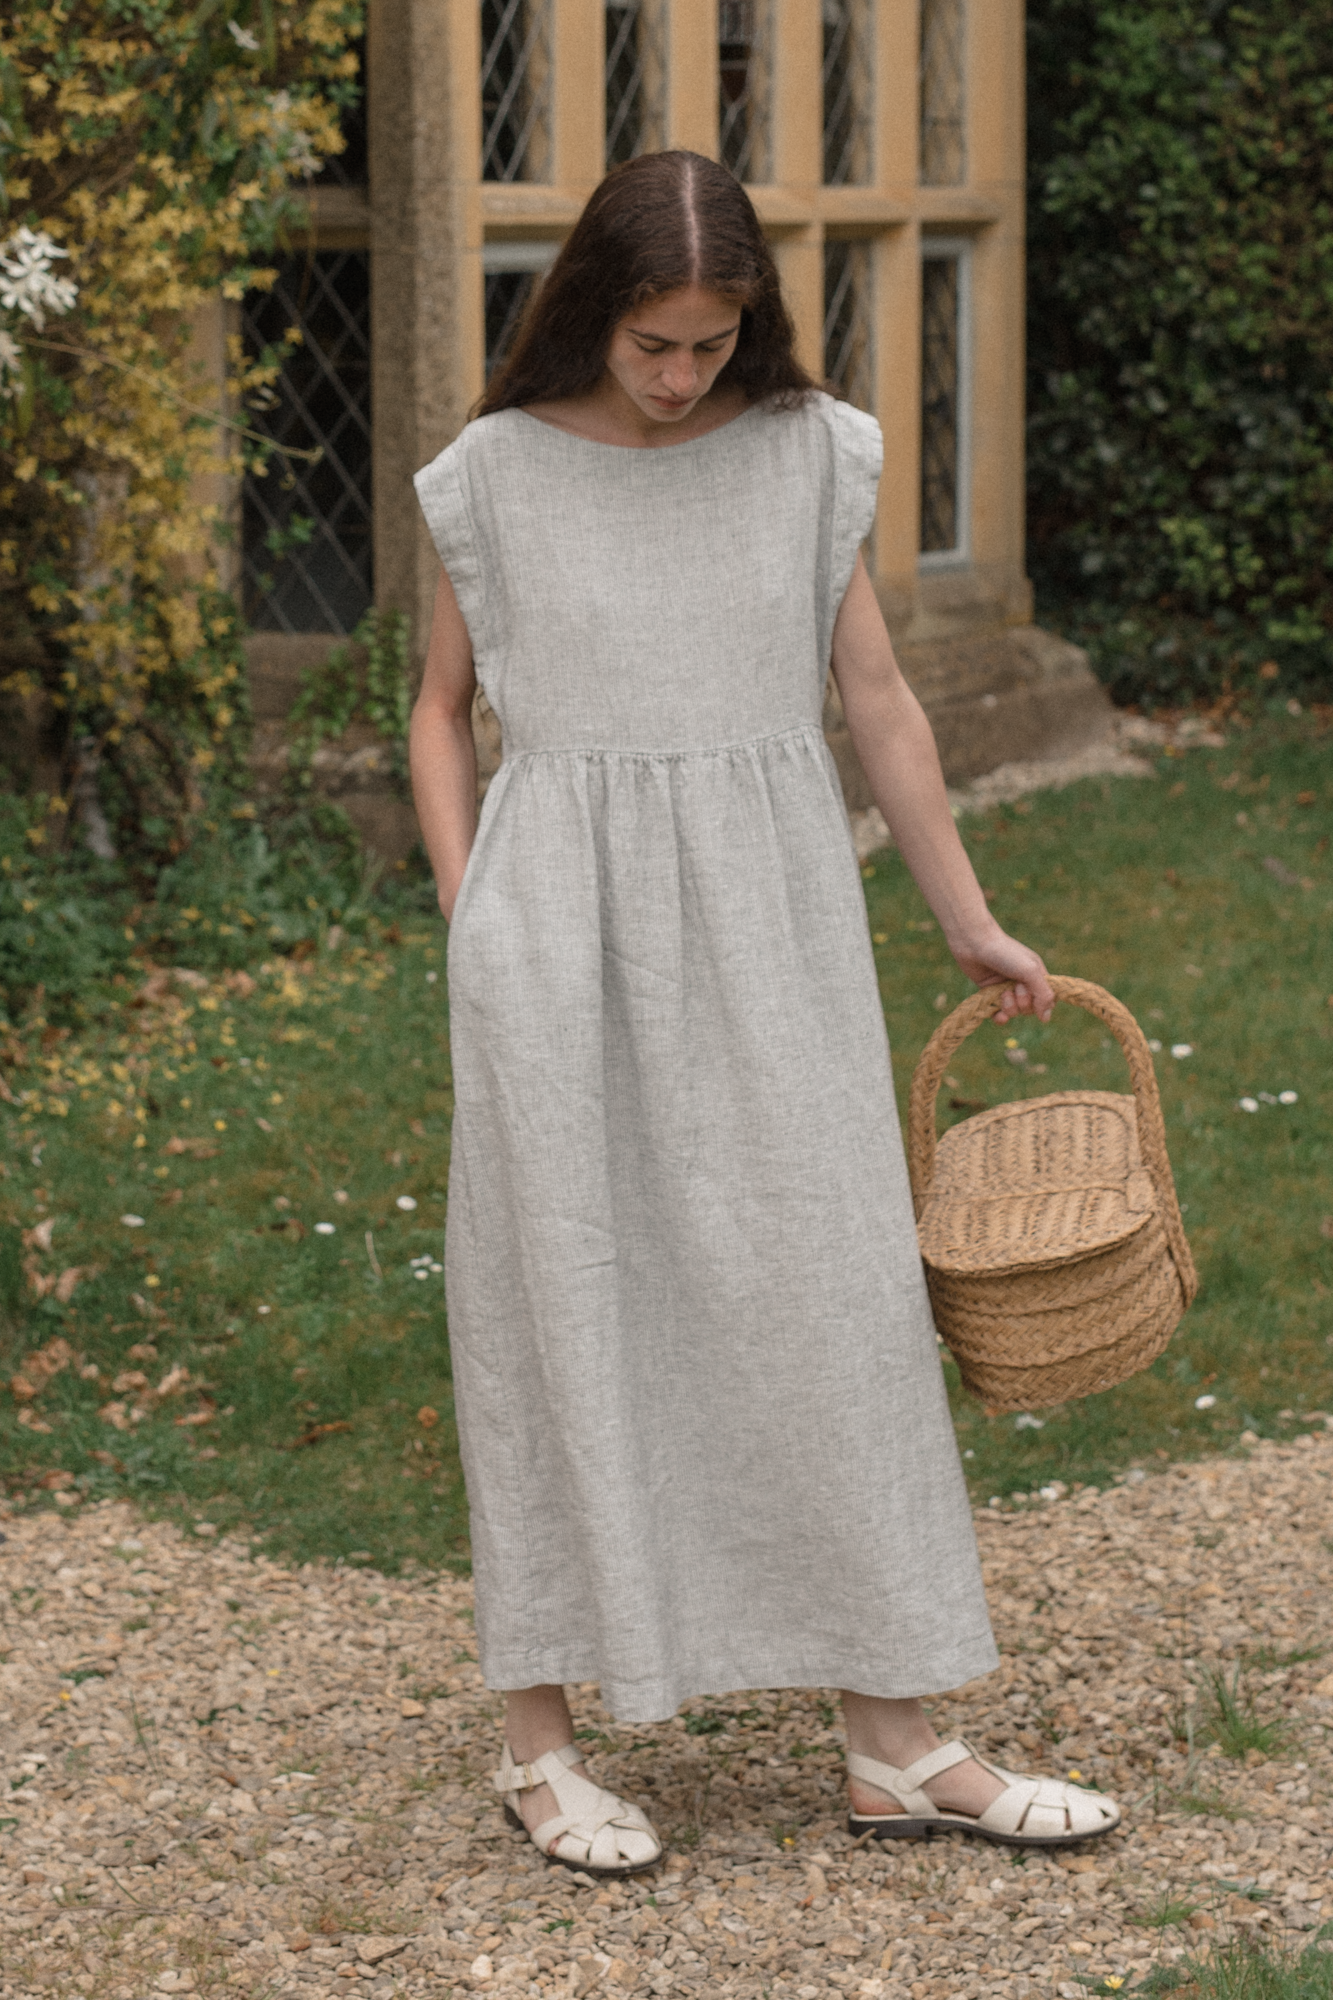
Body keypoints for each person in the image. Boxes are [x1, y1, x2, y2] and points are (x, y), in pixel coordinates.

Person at [409, 150, 1119, 1875]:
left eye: (711, 344)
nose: (680, 375)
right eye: (652, 342)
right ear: (593, 308)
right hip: (553, 943)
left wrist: (968, 920)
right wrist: (474, 917)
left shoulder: (809, 455)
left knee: (835, 1296)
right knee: (555, 1299)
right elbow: (438, 711)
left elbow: (878, 703)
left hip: (773, 934)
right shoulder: (494, 473)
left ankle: (898, 1740)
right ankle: (539, 1747)